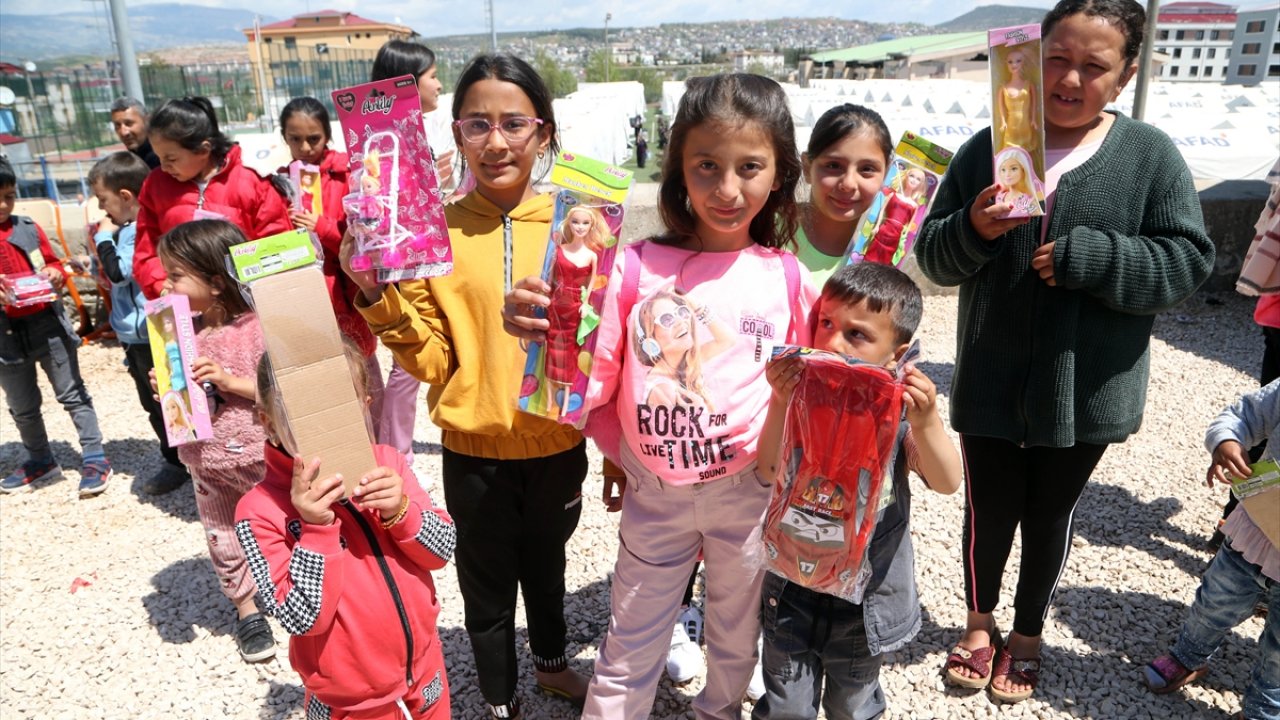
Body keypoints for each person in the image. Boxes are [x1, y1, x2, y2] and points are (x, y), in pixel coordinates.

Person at [914, 0, 1216, 703]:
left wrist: (1095, 257)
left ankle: (1027, 635)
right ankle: (979, 624)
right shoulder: (992, 144)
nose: (1071, 78)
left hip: (1085, 390)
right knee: (987, 509)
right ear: (1030, 58)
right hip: (990, 375)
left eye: (1094, 65)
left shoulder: (1149, 156)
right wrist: (974, 229)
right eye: (1058, 58)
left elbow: (1187, 262)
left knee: (1050, 515)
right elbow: (934, 255)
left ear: (1126, 74)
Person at [504, 72, 819, 720]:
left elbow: (817, 379)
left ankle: (719, 711)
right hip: (655, 496)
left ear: (780, 173)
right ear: (679, 165)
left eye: (749, 167)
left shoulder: (786, 276)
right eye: (707, 165)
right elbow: (597, 373)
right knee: (630, 640)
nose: (727, 189)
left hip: (746, 494)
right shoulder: (633, 266)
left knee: (736, 637)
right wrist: (545, 326)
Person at [341, 54, 588, 720]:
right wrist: (376, 295)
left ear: (543, 133)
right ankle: (499, 697)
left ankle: (554, 665)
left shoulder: (581, 226)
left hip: (558, 443)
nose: (496, 141)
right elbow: (430, 359)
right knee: (484, 588)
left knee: (548, 571)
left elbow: (604, 347)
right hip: (474, 453)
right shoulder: (433, 232)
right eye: (478, 124)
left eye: (514, 123)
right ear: (454, 135)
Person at [752, 262, 963, 720]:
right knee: (787, 708)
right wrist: (778, 401)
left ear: (897, 353)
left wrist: (926, 422)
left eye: (856, 334)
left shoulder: (897, 413)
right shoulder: (802, 397)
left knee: (852, 707)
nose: (831, 342)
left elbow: (947, 482)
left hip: (866, 601)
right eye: (825, 323)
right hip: (791, 587)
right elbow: (768, 469)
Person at [236, 341, 456, 720]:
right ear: (267, 421)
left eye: (341, 407)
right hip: (349, 700)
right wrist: (316, 530)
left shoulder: (388, 464)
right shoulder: (258, 512)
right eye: (302, 415)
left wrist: (401, 511)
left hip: (425, 669)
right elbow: (299, 617)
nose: (324, 425)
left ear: (365, 405)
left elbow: (442, 549)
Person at [156, 219, 275, 663]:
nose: (166, 283)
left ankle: (302, 591)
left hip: (263, 453)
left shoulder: (260, 329)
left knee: (286, 526)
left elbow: (281, 392)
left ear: (217, 281)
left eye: (175, 275)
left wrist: (228, 381)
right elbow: (182, 403)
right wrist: (167, 387)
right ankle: (246, 610)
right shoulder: (177, 335)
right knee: (223, 535)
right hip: (205, 458)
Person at [1142, 380, 1280, 719]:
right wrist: (1227, 441)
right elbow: (1240, 415)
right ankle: (1188, 656)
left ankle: (1264, 710)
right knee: (1214, 603)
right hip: (1256, 534)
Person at [366, 40, 457, 464]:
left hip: (441, 255)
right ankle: (395, 454)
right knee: (410, 360)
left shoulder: (431, 128)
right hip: (410, 260)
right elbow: (382, 210)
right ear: (407, 84)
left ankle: (399, 445)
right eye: (433, 76)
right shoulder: (382, 142)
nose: (440, 85)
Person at [0, 158, 112, 496]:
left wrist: (55, 273)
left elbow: (54, 263)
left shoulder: (28, 228)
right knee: (22, 404)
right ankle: (40, 459)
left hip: (47, 327)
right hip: (5, 337)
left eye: (10, 195)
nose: (4, 204)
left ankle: (95, 457)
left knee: (72, 393)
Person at [87, 151, 189, 495]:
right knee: (157, 400)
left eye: (104, 200)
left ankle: (178, 463)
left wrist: (102, 238)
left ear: (126, 197)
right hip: (136, 334)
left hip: (147, 334)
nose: (103, 211)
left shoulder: (133, 232)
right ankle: (179, 459)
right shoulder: (129, 230)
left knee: (163, 400)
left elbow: (118, 274)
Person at [275, 98, 382, 410]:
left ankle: (377, 449)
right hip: (305, 295)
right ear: (284, 137)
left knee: (364, 379)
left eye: (314, 138)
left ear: (328, 135)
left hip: (347, 294)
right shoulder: (281, 183)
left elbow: (362, 242)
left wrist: (320, 227)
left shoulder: (350, 176)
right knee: (321, 385)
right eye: (295, 139)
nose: (305, 146)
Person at [132, 96, 291, 300]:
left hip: (248, 303)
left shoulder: (251, 182)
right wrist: (163, 288)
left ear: (203, 150)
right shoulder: (156, 186)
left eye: (171, 159)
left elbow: (277, 244)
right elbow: (145, 254)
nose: (163, 167)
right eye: (158, 158)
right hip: (182, 307)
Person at [793, 103, 893, 287]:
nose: (848, 184)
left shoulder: (885, 249)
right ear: (807, 167)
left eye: (867, 169)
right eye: (833, 166)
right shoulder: (769, 230)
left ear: (887, 174)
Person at [544, 205, 605, 417]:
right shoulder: (559, 250)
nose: (580, 227)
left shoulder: (591, 256)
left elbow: (591, 283)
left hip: (574, 308)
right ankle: (549, 398)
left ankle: (567, 399)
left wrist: (585, 304)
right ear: (568, 223)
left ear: (592, 225)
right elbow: (549, 278)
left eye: (585, 223)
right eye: (575, 222)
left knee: (571, 350)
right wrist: (546, 296)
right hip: (556, 305)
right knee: (552, 345)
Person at [863, 166, 929, 266]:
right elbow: (882, 211)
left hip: (896, 235)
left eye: (918, 179)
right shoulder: (893, 195)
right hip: (884, 229)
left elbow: (908, 227)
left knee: (886, 259)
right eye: (912, 176)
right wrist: (876, 227)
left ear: (921, 184)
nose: (914, 180)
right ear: (906, 176)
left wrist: (903, 242)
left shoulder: (914, 205)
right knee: (872, 252)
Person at [996, 48, 1040, 156]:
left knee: (1027, 151)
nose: (1013, 64)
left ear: (1023, 63)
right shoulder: (1003, 88)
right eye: (1010, 62)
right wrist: (1003, 121)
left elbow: (1034, 103)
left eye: (1018, 61)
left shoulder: (1029, 85)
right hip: (1011, 125)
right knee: (1009, 152)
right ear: (1006, 64)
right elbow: (1001, 106)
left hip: (1025, 124)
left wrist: (1034, 119)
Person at [992, 146, 1043, 217]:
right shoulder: (998, 197)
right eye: (1003, 170)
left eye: (1013, 169)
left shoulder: (1029, 200)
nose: (1007, 174)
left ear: (1023, 170)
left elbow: (1037, 219)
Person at [110, 97, 159, 169]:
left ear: (147, 120)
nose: (124, 132)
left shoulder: (161, 158)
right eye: (117, 126)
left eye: (129, 123)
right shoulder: (128, 161)